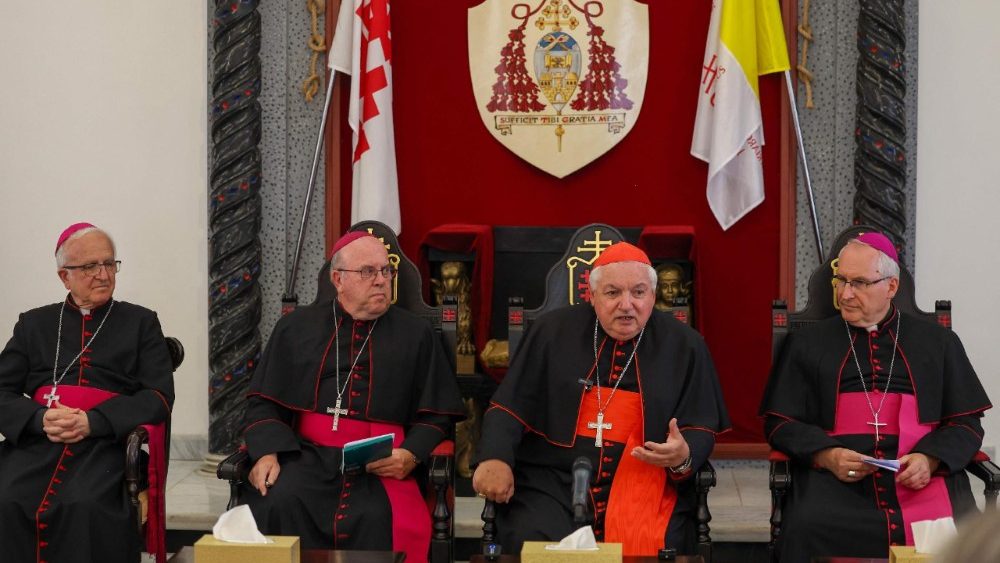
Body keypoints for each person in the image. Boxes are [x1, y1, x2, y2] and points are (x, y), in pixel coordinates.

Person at [472, 242, 729, 555]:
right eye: (612, 293)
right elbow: (508, 407)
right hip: (552, 482)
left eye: (638, 292)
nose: (626, 304)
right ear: (591, 296)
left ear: (653, 294)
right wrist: (495, 457)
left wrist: (683, 454)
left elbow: (701, 424)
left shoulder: (686, 345)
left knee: (659, 544)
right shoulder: (551, 332)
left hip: (646, 482)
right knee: (533, 536)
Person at [760, 231, 991, 562]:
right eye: (840, 281)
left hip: (920, 477)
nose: (845, 293)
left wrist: (931, 459)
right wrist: (827, 455)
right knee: (807, 525)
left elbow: (966, 423)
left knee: (959, 525)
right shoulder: (807, 344)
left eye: (859, 283)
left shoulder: (938, 342)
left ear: (891, 287)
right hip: (836, 482)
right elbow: (779, 423)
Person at [242, 231, 465, 563]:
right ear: (338, 279)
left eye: (386, 271)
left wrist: (411, 455)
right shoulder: (296, 327)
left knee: (382, 518)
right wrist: (266, 453)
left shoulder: (415, 334)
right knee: (277, 502)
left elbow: (437, 414)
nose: (380, 280)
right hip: (305, 458)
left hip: (381, 463)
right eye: (368, 272)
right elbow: (263, 400)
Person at [0, 222, 175, 563]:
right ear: (64, 276)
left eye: (109, 264)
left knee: (85, 506)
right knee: (6, 498)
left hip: (103, 446)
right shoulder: (33, 324)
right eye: (89, 266)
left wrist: (94, 422)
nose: (103, 274)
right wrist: (39, 419)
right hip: (37, 443)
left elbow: (158, 397)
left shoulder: (141, 323)